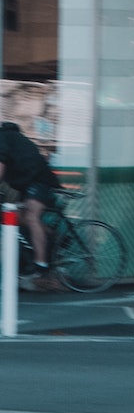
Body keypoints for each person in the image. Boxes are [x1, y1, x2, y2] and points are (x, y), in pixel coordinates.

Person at [0, 121, 62, 292]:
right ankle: (52, 237)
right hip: (28, 185)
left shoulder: (3, 138)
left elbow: (1, 167)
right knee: (19, 218)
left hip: (39, 183)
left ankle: (40, 266)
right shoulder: (13, 138)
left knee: (32, 216)